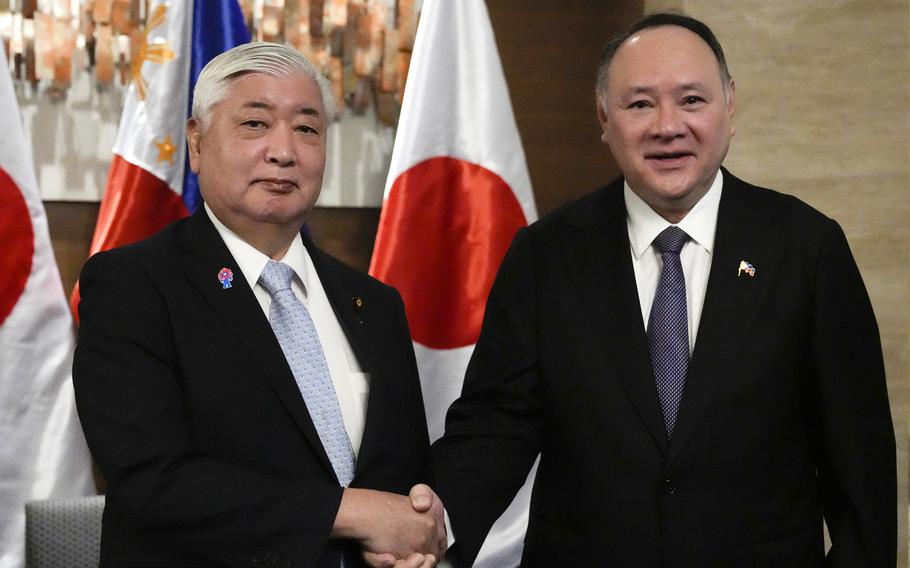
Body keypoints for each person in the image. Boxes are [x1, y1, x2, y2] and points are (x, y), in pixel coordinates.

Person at [429, 12, 896, 567]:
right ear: (604, 117)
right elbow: (494, 426)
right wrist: (427, 529)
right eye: (640, 103)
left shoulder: (807, 247)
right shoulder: (546, 254)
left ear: (729, 106)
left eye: (692, 100)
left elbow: (858, 458)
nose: (667, 125)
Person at [73, 42, 445, 568]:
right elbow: (155, 480)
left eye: (307, 128)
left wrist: (409, 537)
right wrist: (348, 512)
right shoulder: (132, 285)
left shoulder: (375, 305)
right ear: (197, 144)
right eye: (255, 124)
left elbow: (401, 474)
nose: (284, 150)